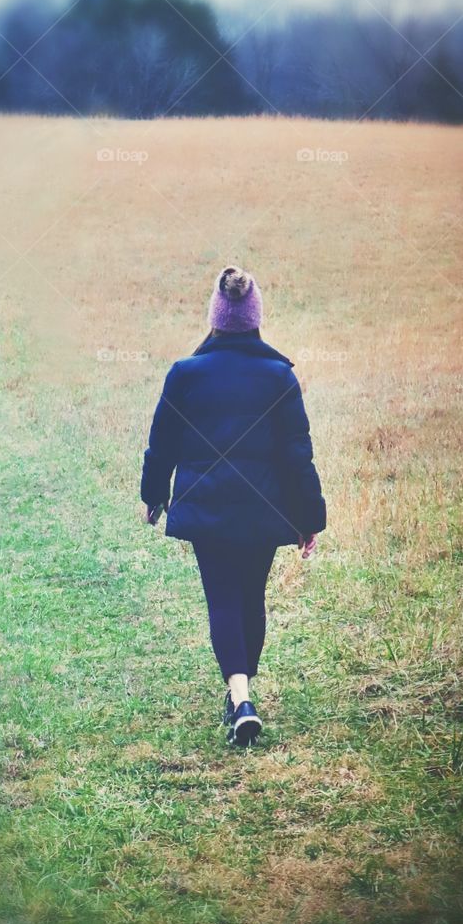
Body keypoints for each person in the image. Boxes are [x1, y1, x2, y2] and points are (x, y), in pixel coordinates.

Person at [140, 265, 326, 747]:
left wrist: (154, 494)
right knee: (250, 597)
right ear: (255, 318)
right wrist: (309, 519)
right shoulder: (278, 376)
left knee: (222, 597)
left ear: (215, 318)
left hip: (208, 512)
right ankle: (242, 692)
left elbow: (162, 443)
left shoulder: (185, 374)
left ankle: (240, 697)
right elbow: (296, 454)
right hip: (262, 514)